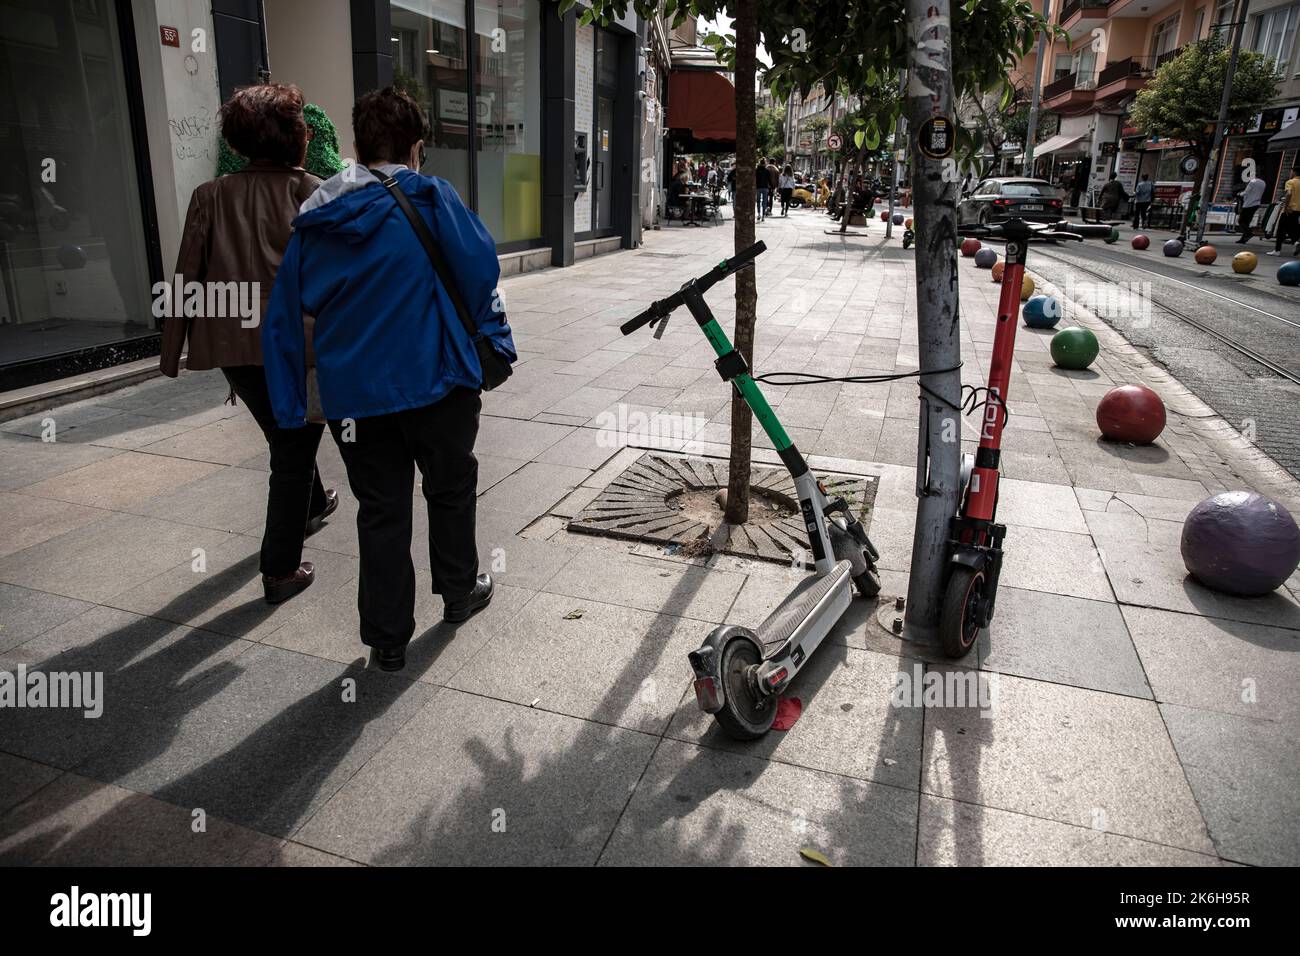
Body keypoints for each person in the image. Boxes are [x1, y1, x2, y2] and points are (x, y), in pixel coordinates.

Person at [261, 87, 516, 671]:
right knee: (449, 488)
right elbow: (479, 270)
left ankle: (387, 639)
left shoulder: (316, 219)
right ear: (417, 147)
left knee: (380, 509)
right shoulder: (431, 197)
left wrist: (288, 406)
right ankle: (457, 593)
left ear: (358, 146)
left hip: (357, 398)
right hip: (440, 381)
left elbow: (282, 322)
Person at [160, 83, 337, 605]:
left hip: (232, 348)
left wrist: (172, 352)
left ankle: (310, 506)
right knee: (292, 446)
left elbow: (184, 278)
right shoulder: (317, 192)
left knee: (289, 436)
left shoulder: (209, 195)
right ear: (298, 139)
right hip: (297, 350)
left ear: (239, 143)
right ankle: (280, 570)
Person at [1267, 164, 1300, 257]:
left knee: (1281, 229)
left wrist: (1286, 207)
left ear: (1295, 172)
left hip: (1289, 209)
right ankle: (1296, 242)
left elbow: (1289, 194)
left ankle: (1277, 250)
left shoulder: (1291, 182)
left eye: (1292, 171)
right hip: (1298, 210)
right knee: (1292, 228)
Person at [1236, 173, 1267, 243]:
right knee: (1247, 222)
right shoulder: (1263, 183)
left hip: (1248, 204)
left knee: (1241, 221)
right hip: (1256, 204)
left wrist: (1239, 194)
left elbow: (1246, 192)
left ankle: (1249, 232)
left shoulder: (1252, 182)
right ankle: (1243, 239)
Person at [755, 157, 770, 221]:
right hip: (765, 187)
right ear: (765, 163)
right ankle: (763, 216)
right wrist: (772, 187)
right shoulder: (767, 171)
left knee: (758, 201)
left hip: (758, 187)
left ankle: (758, 214)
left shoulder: (757, 170)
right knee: (764, 202)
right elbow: (769, 180)